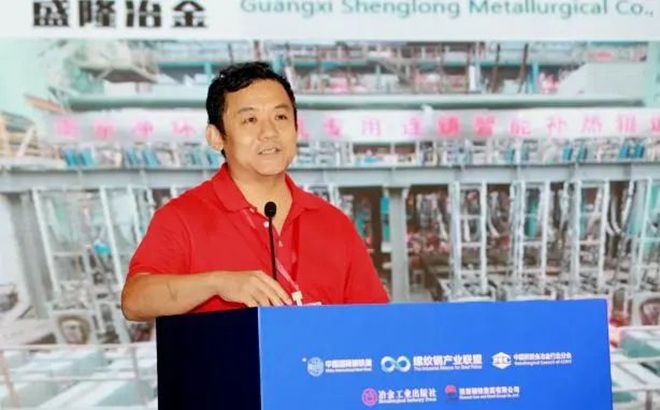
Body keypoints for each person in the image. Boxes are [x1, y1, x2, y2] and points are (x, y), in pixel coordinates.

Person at [121, 62, 389, 322]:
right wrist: (216, 283)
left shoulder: (332, 222)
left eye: (280, 117)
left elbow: (377, 322)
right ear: (216, 137)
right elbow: (135, 301)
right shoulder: (182, 217)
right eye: (250, 120)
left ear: (296, 129)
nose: (269, 132)